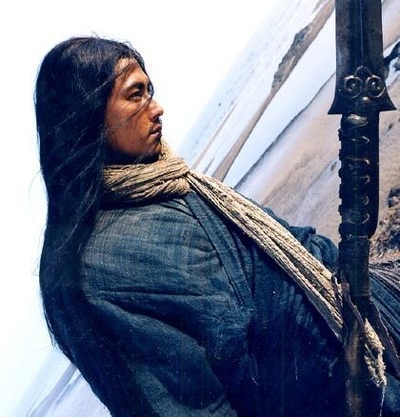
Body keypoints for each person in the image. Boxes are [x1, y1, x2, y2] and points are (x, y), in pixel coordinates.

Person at [35, 36, 400, 416]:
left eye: (150, 91)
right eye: (135, 95)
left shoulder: (170, 181)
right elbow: (192, 405)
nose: (156, 109)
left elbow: (290, 242)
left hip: (359, 328)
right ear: (88, 117)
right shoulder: (94, 272)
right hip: (337, 392)